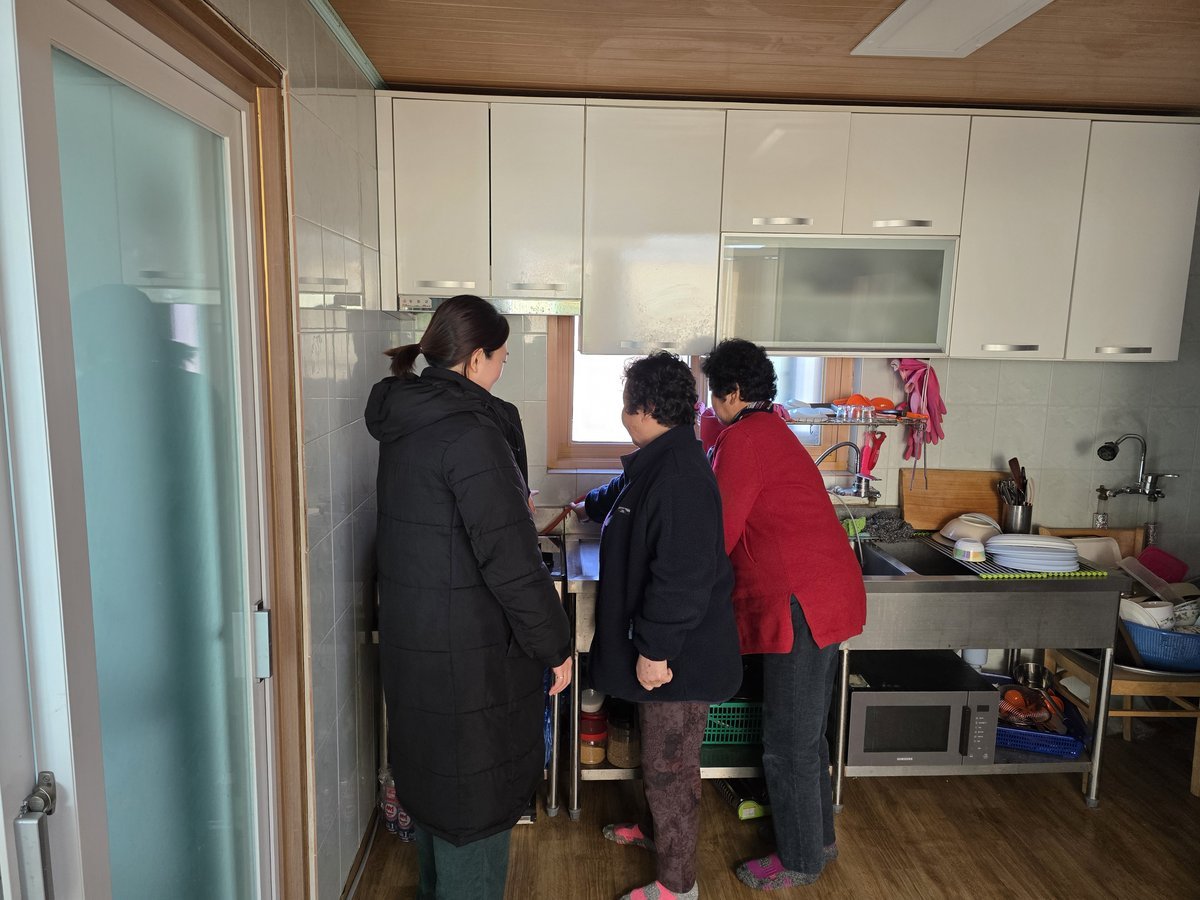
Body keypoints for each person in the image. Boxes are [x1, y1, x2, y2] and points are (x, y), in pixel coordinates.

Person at [365, 295, 572, 900]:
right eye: (502, 358)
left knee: (437, 795)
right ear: (476, 358)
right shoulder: (471, 433)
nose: (502, 370)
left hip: (419, 645)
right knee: (473, 806)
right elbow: (513, 562)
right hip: (470, 660)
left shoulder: (408, 421)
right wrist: (555, 646)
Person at [700, 338, 867, 891]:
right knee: (808, 736)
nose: (710, 405)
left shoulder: (744, 440)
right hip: (824, 594)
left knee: (789, 743)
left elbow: (719, 533)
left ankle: (799, 861)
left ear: (732, 392)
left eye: (714, 394)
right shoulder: (770, 431)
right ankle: (818, 841)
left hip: (802, 603)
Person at [582, 351, 743, 900]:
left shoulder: (679, 477)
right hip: (666, 649)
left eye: (627, 404)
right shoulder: (663, 458)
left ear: (646, 408)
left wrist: (655, 651)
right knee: (658, 762)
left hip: (680, 658)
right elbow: (623, 494)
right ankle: (657, 835)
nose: (622, 414)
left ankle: (678, 887)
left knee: (671, 770)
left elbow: (682, 578)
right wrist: (588, 505)